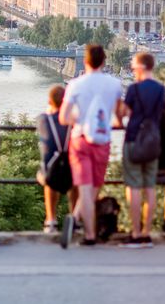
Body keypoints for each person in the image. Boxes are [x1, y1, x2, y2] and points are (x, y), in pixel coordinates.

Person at [59, 45, 121, 248]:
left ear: (85, 61)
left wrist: (79, 117)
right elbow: (118, 117)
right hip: (102, 141)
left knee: (85, 189)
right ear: (104, 61)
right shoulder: (115, 84)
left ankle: (87, 232)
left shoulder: (75, 85)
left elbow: (63, 117)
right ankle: (78, 221)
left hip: (80, 139)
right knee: (94, 188)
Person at [119, 52, 165, 248]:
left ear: (141, 67)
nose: (132, 70)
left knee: (135, 188)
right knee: (150, 188)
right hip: (153, 141)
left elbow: (125, 113)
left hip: (133, 140)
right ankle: (147, 233)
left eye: (133, 67)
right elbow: (162, 112)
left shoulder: (133, 89)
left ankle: (136, 232)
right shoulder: (161, 89)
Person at [36, 85, 76, 233]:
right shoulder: (73, 121)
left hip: (51, 173)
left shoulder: (43, 119)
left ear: (49, 101)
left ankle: (51, 220)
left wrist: (51, 108)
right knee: (74, 178)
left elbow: (46, 117)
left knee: (46, 174)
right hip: (72, 170)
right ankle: (74, 217)